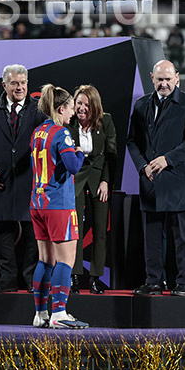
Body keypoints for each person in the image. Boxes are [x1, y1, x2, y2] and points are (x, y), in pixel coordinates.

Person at [127, 59, 185, 296]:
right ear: (152, 78)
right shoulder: (141, 105)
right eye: (160, 79)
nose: (164, 84)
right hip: (150, 181)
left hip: (177, 180)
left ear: (177, 78)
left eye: (168, 79)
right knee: (151, 238)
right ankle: (153, 282)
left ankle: (182, 284)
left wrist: (166, 159)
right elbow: (132, 141)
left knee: (182, 237)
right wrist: (142, 167)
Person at [0, 64, 42, 293]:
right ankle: (7, 279)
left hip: (29, 183)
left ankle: (32, 279)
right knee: (2, 233)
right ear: (4, 85)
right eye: (14, 83)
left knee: (33, 234)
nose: (20, 87)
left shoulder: (39, 111)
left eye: (23, 83)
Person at [30, 83, 88, 329]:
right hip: (59, 204)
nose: (74, 113)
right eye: (72, 108)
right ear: (61, 108)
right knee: (66, 260)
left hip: (37, 202)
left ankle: (40, 313)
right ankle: (60, 313)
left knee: (45, 260)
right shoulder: (61, 133)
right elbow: (73, 166)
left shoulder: (38, 131)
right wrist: (80, 152)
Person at [68, 85, 117, 294]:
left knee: (99, 230)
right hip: (74, 179)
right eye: (79, 103)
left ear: (94, 106)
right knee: (74, 230)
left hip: (99, 179)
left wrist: (106, 181)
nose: (82, 108)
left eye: (87, 104)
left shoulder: (105, 121)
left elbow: (111, 154)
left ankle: (95, 278)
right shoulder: (68, 121)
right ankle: (75, 276)